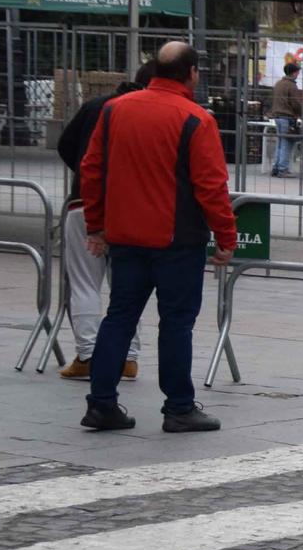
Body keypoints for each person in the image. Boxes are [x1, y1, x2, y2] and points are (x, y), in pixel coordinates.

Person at [77, 42, 237, 434]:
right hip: (176, 241)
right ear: (193, 73)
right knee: (176, 324)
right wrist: (226, 236)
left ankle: (101, 404)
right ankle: (179, 407)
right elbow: (211, 186)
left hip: (126, 237)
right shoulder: (196, 119)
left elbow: (91, 168)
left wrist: (96, 225)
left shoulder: (116, 109)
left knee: (119, 317)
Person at [55, 65, 147, 381]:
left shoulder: (96, 106)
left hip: (84, 202)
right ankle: (128, 357)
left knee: (84, 282)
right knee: (126, 286)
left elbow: (66, 145)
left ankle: (89, 354)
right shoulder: (150, 112)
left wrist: (82, 173)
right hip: (129, 208)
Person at [268, 59, 303, 177]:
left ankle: (276, 167)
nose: (298, 74)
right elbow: (296, 103)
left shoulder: (279, 83)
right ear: (294, 73)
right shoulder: (292, 85)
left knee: (280, 143)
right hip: (287, 116)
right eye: (297, 72)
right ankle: (283, 169)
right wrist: (300, 112)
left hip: (277, 115)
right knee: (286, 144)